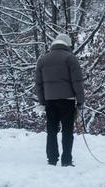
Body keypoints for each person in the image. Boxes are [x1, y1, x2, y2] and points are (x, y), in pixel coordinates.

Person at [35, 33, 85, 167]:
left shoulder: (43, 60)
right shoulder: (70, 58)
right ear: (67, 45)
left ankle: (52, 159)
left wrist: (42, 101)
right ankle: (66, 160)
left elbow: (39, 84)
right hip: (67, 100)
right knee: (67, 131)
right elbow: (77, 82)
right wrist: (80, 101)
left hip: (50, 100)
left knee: (51, 131)